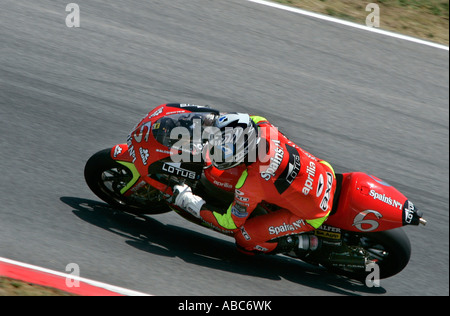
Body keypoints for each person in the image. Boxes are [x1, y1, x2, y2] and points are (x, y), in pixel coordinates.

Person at [172, 112, 337, 256]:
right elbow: (249, 119)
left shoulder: (250, 185)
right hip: (326, 171)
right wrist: (212, 121)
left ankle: (305, 243)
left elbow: (229, 224)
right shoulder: (265, 129)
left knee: (244, 239)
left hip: (315, 213)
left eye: (224, 152)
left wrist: (189, 202)